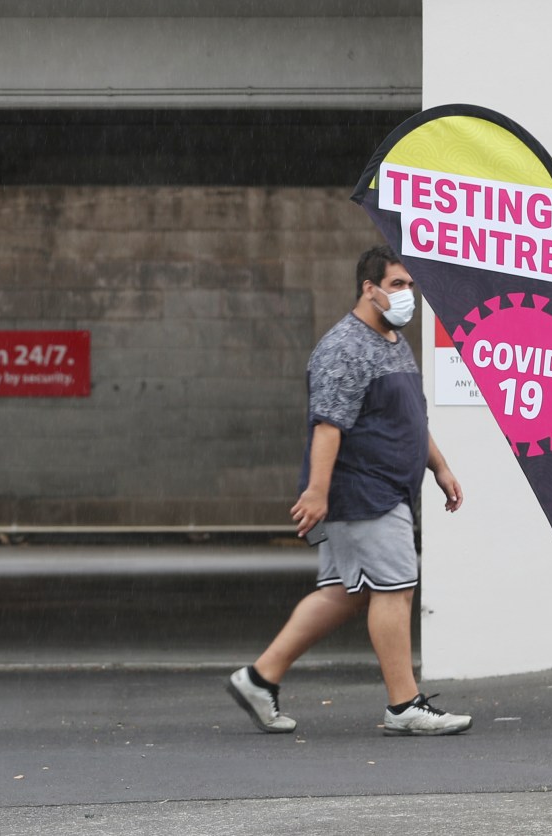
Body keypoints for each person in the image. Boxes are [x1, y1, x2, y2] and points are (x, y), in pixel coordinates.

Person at [227, 245, 472, 737]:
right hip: (364, 492)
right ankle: (404, 706)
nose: (408, 295)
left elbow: (410, 417)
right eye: (399, 285)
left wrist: (439, 466)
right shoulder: (344, 347)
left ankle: (259, 678)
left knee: (344, 591)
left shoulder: (393, 340)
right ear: (369, 287)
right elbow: (327, 427)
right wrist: (318, 492)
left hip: (385, 490)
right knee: (396, 587)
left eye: (411, 286)